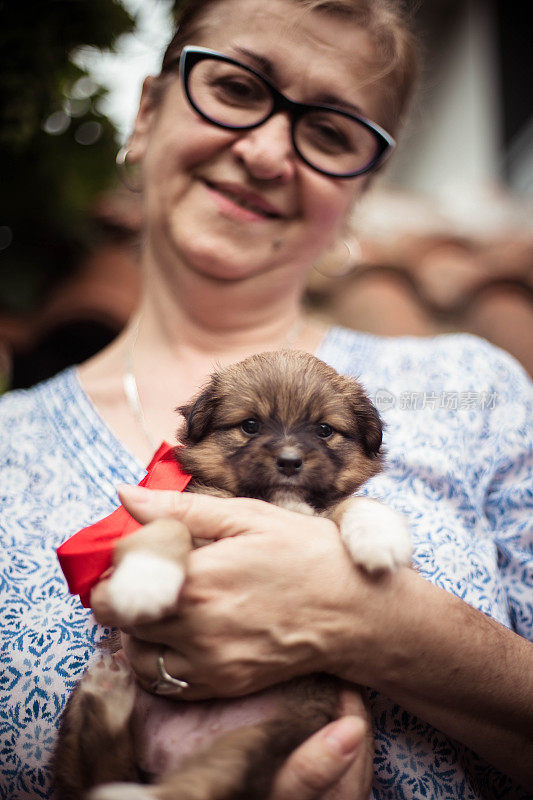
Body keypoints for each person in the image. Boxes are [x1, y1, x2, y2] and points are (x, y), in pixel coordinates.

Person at [0, 0, 531, 798]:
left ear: (362, 188)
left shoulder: (473, 388)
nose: (267, 151)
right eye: (239, 86)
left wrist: (378, 628)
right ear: (146, 110)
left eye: (328, 132)